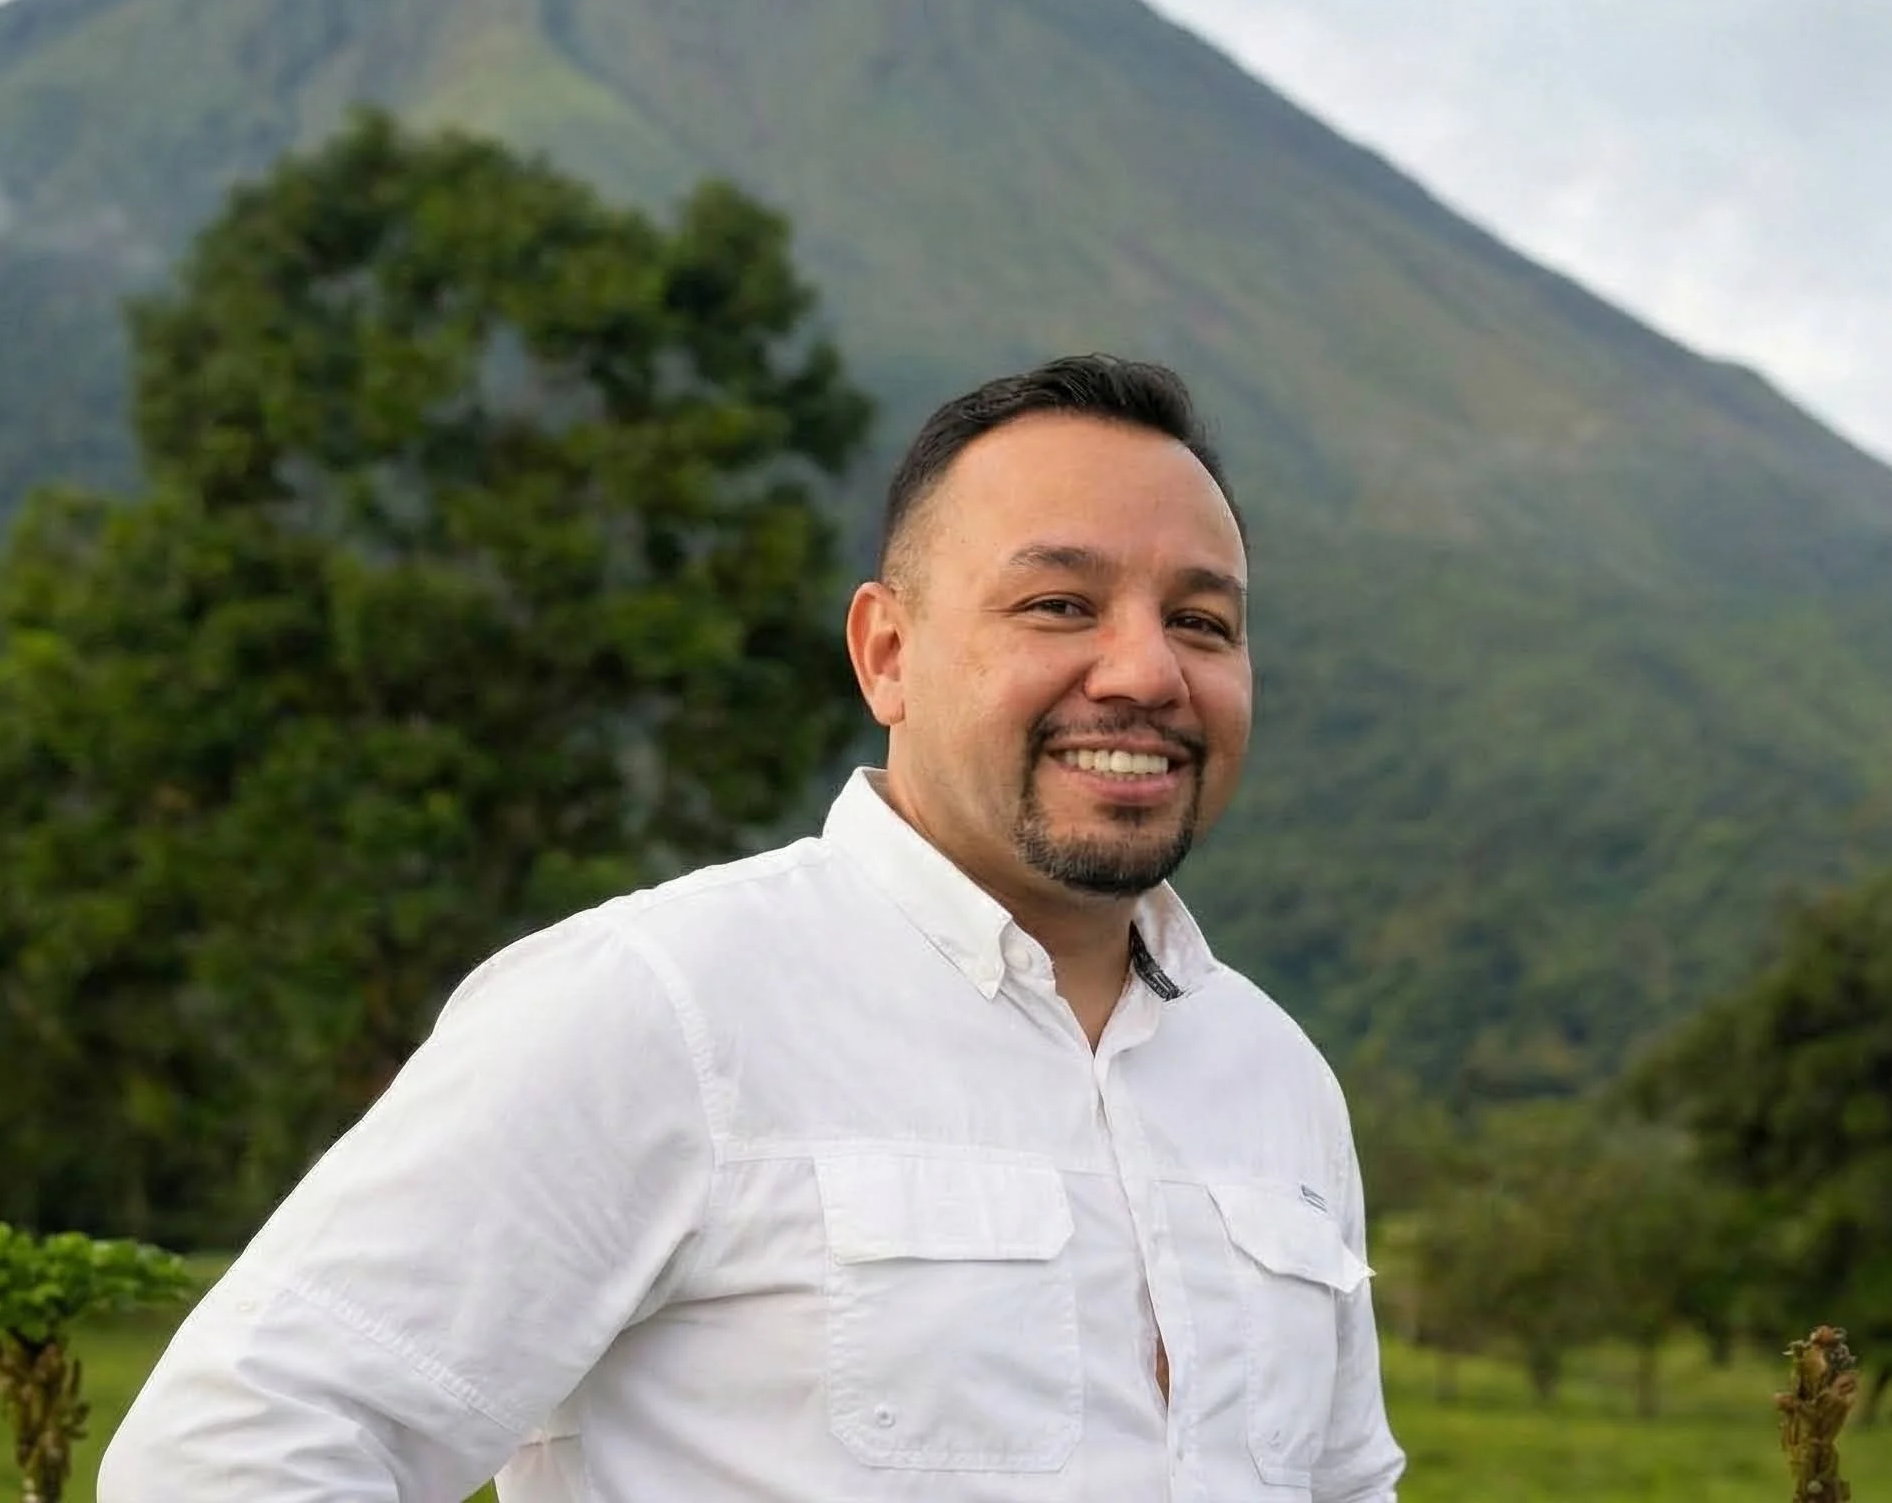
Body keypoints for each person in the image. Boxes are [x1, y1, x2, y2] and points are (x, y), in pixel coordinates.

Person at [100, 354, 1406, 1502]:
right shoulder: (664, 1002)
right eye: (1059, 605)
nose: (1144, 672)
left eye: (1202, 621)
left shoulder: (1275, 1079)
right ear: (885, 652)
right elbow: (235, 1450)